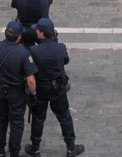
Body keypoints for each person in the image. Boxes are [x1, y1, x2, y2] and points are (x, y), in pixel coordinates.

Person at [26, 18, 85, 157]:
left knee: (38, 118)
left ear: (42, 33)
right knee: (64, 117)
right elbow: (65, 60)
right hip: (57, 87)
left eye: (37, 30)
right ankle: (71, 147)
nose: (35, 31)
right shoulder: (61, 47)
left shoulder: (34, 50)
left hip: (41, 88)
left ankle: (35, 148)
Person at [0, 21, 38, 157]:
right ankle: (14, 152)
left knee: (1, 119)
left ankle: (0, 150)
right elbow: (31, 79)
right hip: (16, 92)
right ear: (19, 36)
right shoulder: (23, 52)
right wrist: (33, 93)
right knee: (17, 123)